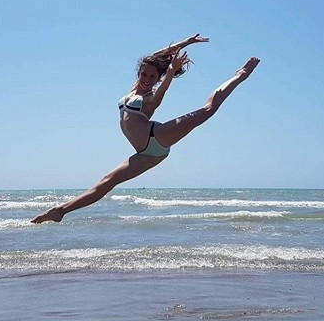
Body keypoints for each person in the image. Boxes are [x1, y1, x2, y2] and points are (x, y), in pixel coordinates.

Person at [31, 34, 259, 224]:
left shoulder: (150, 98)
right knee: (106, 182)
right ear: (138, 72)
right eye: (144, 74)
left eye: (153, 76)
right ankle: (60, 211)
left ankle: (241, 75)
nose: (148, 79)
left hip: (156, 138)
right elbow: (157, 56)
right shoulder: (133, 90)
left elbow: (162, 91)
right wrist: (184, 43)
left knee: (207, 110)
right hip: (144, 154)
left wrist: (170, 72)